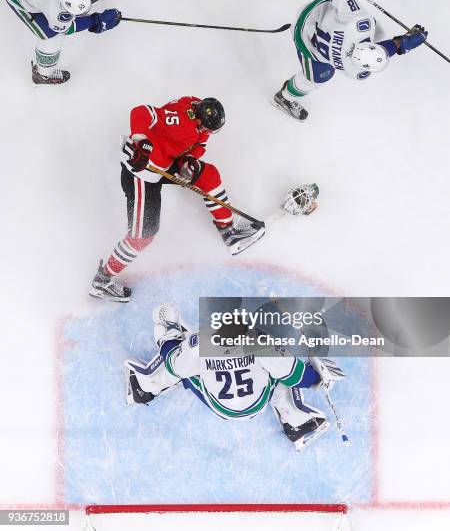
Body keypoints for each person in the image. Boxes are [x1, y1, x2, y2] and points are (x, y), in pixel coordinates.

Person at [89, 97, 266, 302]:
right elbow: (141, 112)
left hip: (165, 162)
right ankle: (102, 281)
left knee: (208, 175)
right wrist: (141, 141)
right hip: (141, 172)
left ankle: (229, 232)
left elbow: (198, 142)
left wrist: (189, 160)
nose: (208, 134)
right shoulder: (180, 121)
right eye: (208, 130)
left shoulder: (195, 105)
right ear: (200, 122)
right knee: (143, 235)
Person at [124, 302, 346, 451]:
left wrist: (169, 333)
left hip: (223, 408)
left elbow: (171, 360)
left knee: (180, 369)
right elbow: (298, 377)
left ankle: (145, 387)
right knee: (284, 371)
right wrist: (318, 377)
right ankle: (296, 421)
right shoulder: (261, 344)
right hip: (256, 404)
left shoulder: (200, 345)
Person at [273, 0, 428, 121]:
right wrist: (403, 44)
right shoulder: (356, 71)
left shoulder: (360, 22)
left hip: (313, 12)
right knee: (315, 79)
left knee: (377, 31)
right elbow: (384, 50)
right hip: (304, 39)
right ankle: (284, 97)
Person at [2, 0, 121, 84]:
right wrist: (96, 20)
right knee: (51, 36)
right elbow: (67, 28)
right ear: (63, 7)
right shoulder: (55, 9)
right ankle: (42, 74)